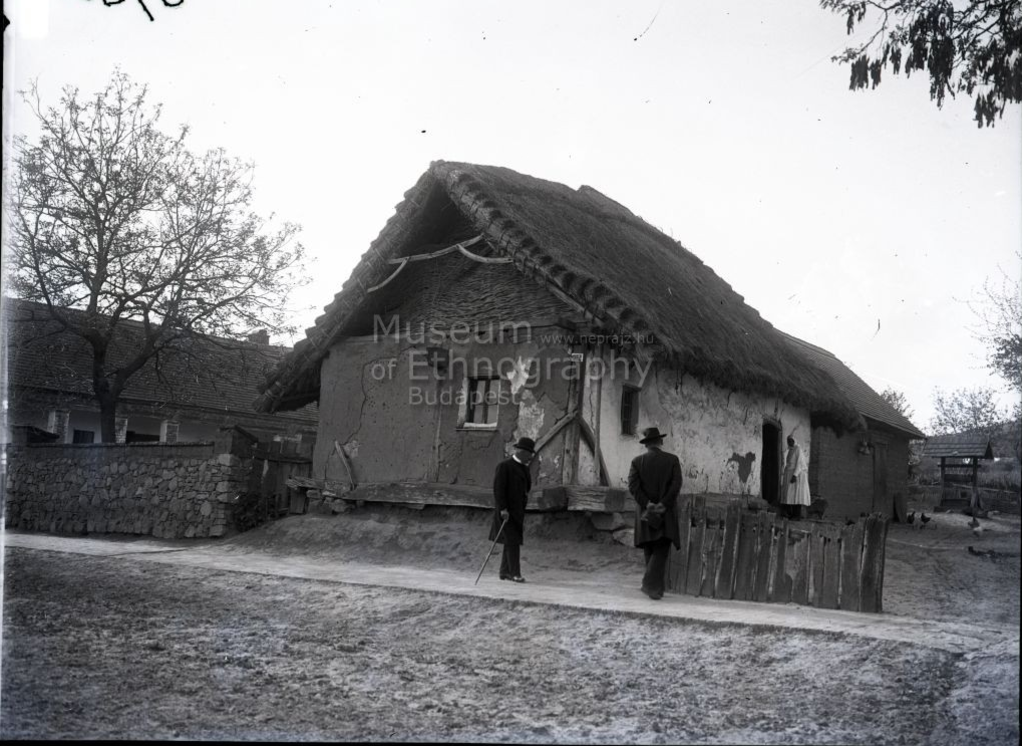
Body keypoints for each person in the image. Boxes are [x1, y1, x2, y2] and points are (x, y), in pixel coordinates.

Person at [628, 426, 682, 600]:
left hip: (645, 513)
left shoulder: (637, 462)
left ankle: (655, 589)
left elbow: (633, 487)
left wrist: (648, 504)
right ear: (660, 442)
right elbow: (676, 485)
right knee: (661, 549)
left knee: (649, 547)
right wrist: (663, 504)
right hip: (665, 513)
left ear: (646, 445)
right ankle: (652, 587)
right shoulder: (672, 460)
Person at [490, 436, 535, 583]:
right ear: (521, 451)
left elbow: (526, 488)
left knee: (511, 541)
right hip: (506, 512)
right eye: (529, 454)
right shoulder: (505, 466)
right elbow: (498, 489)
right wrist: (503, 509)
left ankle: (504, 572)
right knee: (513, 542)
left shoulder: (525, 469)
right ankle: (515, 573)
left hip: (518, 512)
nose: (530, 457)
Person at [780, 435, 811, 520]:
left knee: (797, 495)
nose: (789, 442)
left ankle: (797, 515)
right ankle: (792, 514)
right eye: (788, 441)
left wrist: (795, 475)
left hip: (798, 475)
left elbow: (800, 463)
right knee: (791, 495)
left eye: (791, 441)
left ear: (795, 441)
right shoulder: (790, 451)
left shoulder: (798, 449)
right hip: (790, 473)